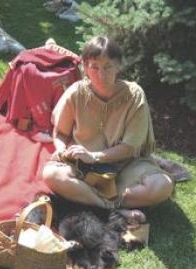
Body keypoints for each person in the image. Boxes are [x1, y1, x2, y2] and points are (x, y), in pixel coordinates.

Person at [42, 36, 174, 210]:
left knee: (162, 185)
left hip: (125, 166)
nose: (101, 74)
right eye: (94, 67)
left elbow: (129, 147)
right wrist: (61, 151)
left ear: (118, 66)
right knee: (51, 174)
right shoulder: (76, 93)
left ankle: (95, 201)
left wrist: (95, 156)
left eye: (107, 67)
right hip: (82, 167)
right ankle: (109, 207)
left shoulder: (134, 96)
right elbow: (60, 133)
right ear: (85, 68)